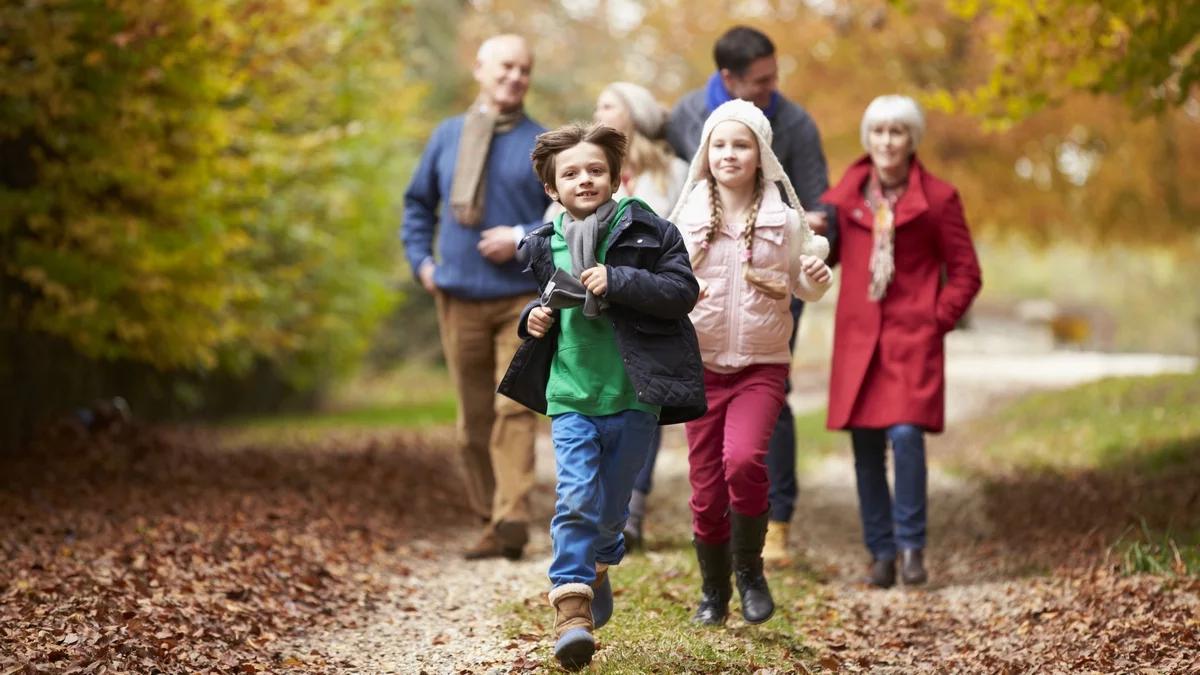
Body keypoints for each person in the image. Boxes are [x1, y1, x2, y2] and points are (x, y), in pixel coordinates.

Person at [499, 122, 705, 669]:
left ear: (617, 177)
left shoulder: (650, 231)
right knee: (575, 500)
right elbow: (542, 301)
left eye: (595, 170)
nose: (584, 179)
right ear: (551, 189)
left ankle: (598, 567)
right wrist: (532, 319)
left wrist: (619, 280)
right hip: (571, 395)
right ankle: (570, 605)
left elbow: (683, 292)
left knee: (612, 512)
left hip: (634, 396)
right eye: (570, 173)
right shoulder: (546, 244)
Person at [667, 25, 835, 560]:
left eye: (774, 75)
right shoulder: (689, 115)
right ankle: (713, 566)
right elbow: (671, 182)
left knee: (765, 410)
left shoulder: (794, 121)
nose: (772, 86)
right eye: (761, 80)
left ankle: (777, 521)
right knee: (706, 462)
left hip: (772, 272)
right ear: (729, 79)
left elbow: (816, 199)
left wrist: (807, 238)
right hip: (704, 314)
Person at [821, 95, 982, 588]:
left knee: (907, 437)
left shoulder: (938, 199)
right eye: (879, 132)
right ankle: (881, 555)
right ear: (867, 139)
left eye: (897, 132)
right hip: (858, 341)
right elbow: (821, 260)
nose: (887, 141)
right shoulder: (841, 200)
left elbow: (966, 273)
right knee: (866, 447)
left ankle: (912, 547)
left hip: (913, 338)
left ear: (913, 140)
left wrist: (936, 319)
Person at [401, 34, 550, 561]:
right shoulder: (447, 136)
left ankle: (512, 517)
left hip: (520, 300)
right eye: (507, 66)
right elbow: (418, 204)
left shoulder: (542, 143)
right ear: (481, 69)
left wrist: (519, 236)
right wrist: (421, 262)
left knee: (513, 409)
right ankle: (491, 517)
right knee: (471, 422)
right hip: (457, 297)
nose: (516, 77)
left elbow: (566, 216)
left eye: (524, 69)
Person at [591, 81, 690, 549]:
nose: (598, 112)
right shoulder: (587, 170)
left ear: (634, 113)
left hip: (649, 308)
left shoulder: (673, 174)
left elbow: (684, 243)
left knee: (643, 405)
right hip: (598, 314)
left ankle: (634, 510)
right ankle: (604, 506)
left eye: (607, 105)